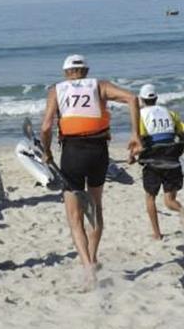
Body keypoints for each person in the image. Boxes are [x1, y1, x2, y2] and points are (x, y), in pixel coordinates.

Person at [40, 54, 141, 287]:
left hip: (72, 153)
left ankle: (87, 266)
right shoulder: (100, 85)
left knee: (74, 216)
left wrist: (46, 152)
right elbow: (132, 98)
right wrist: (136, 135)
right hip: (98, 152)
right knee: (95, 208)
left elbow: (46, 126)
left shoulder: (57, 89)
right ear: (86, 71)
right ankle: (93, 258)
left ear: (66, 72)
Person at [130, 84, 184, 240]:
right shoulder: (170, 113)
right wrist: (178, 151)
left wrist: (131, 156)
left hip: (153, 162)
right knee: (169, 201)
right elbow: (183, 138)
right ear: (156, 98)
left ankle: (157, 234)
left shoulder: (140, 115)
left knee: (150, 197)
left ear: (141, 100)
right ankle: (182, 210)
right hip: (172, 160)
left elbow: (138, 142)